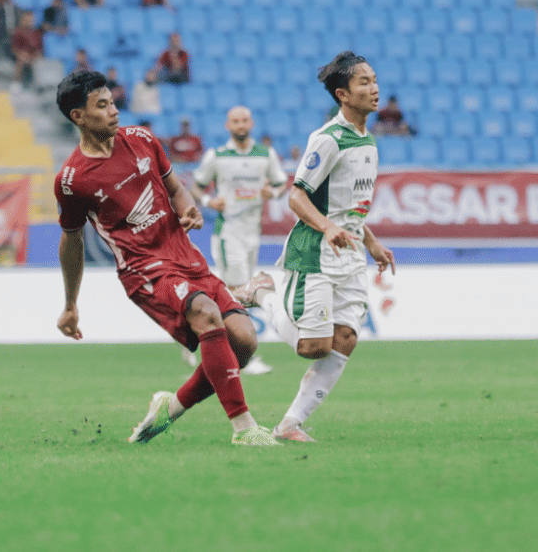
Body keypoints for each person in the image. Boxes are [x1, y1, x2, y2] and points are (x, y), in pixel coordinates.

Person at [53, 70, 279, 446]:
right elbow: (71, 241)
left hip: (184, 256)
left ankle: (170, 407)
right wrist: (70, 304)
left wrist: (188, 209)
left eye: (112, 102)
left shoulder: (142, 139)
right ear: (78, 116)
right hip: (144, 269)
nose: (114, 111)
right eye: (102, 105)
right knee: (206, 314)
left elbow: (177, 189)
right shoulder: (73, 179)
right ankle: (245, 429)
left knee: (244, 340)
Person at [245, 51, 396, 443]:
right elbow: (296, 197)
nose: (374, 88)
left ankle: (289, 425)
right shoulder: (328, 139)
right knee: (313, 347)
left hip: (350, 252)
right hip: (314, 249)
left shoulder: (369, 142)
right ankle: (262, 293)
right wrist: (327, 227)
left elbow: (353, 209)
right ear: (343, 94)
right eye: (364, 82)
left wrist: (373, 243)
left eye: (374, 79)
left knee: (345, 339)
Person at [188, 106, 289, 375]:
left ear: (252, 123)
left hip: (252, 232)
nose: (240, 125)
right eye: (235, 121)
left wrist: (273, 193)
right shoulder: (217, 156)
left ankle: (197, 335)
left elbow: (282, 185)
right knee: (238, 292)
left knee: (236, 292)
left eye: (244, 120)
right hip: (228, 231)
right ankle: (242, 356)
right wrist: (210, 201)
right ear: (227, 125)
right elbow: (196, 186)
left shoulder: (265, 155)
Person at [10, 10, 43, 88]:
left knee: (40, 61)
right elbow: (15, 49)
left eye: (31, 20)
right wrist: (23, 55)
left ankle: (39, 84)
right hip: (23, 55)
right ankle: (16, 83)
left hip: (34, 56)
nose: (30, 22)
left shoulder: (36, 32)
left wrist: (34, 56)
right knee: (21, 61)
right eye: (27, 20)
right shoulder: (18, 32)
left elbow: (40, 49)